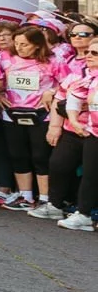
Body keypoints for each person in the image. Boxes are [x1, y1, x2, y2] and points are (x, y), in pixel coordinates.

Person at [0, 25, 55, 212]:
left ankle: (45, 198)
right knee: (17, 154)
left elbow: (68, 83)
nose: (20, 48)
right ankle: (25, 195)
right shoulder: (5, 58)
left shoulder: (53, 61)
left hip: (40, 114)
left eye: (25, 45)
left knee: (40, 156)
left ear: (37, 45)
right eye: (17, 43)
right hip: (12, 112)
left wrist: (52, 91)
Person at [45, 31, 98, 230]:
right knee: (91, 175)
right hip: (93, 133)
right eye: (88, 52)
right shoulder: (88, 78)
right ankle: (83, 215)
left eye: (95, 52)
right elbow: (73, 96)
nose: (89, 55)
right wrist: (75, 121)